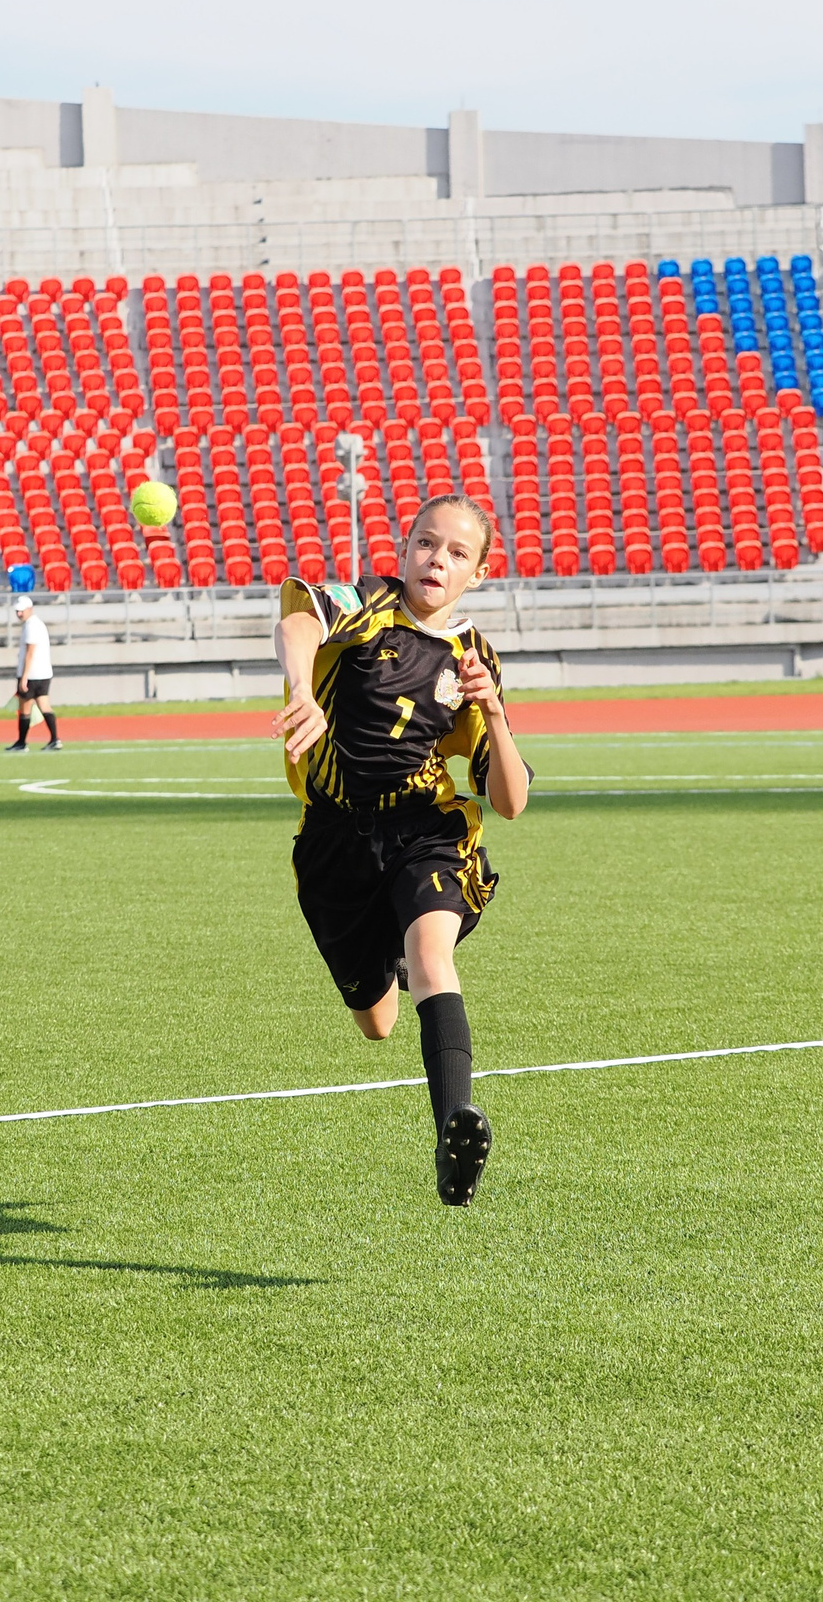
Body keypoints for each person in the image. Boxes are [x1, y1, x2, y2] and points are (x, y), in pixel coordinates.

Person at [273, 495, 532, 1207]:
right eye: (426, 543)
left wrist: (496, 713)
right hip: (334, 842)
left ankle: (455, 1128)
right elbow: (297, 616)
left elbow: (509, 800)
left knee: (432, 958)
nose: (436, 560)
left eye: (456, 553)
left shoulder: (475, 658)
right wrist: (304, 686)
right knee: (378, 1022)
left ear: (478, 573)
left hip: (426, 827)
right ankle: (383, 944)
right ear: (405, 546)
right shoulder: (369, 603)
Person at [5, 593, 59, 752]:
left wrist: (24, 676)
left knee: (25, 709)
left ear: (30, 609)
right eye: (17, 611)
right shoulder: (37, 624)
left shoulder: (31, 625)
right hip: (43, 673)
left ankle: (22, 742)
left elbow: (30, 652)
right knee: (44, 705)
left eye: (21, 610)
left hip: (33, 674)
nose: (19, 614)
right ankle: (55, 739)